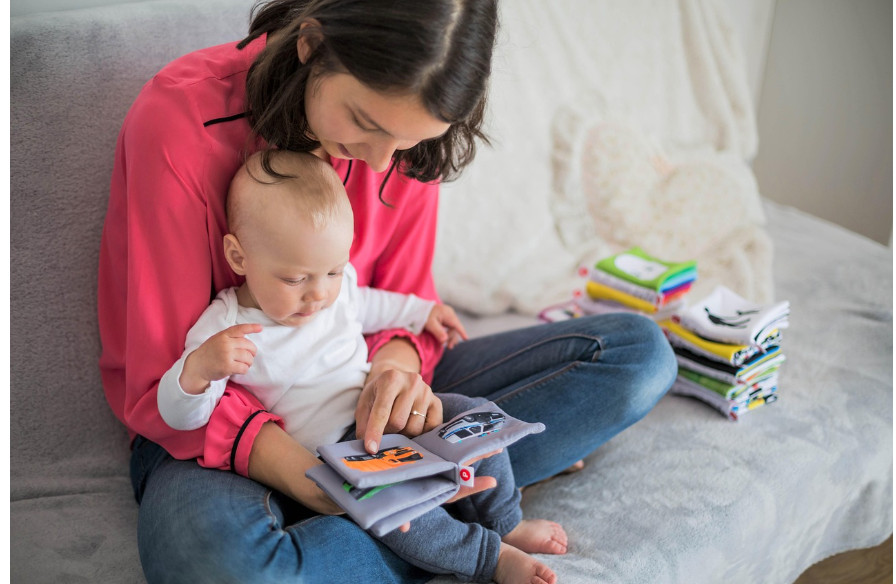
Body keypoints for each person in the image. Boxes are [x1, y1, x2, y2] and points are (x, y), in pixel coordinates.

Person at [97, 1, 678, 582]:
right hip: (210, 432)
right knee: (224, 569)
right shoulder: (178, 122)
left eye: (407, 141)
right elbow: (167, 380)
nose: (382, 162)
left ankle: (412, 512)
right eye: (366, 123)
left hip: (364, 406)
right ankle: (439, 521)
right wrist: (308, 475)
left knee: (639, 356)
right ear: (312, 44)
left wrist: (394, 375)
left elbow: (401, 304)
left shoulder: (404, 142)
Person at [155, 149, 567, 583]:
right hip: (339, 452)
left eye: (332, 272)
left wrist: (420, 311)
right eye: (295, 279)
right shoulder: (226, 324)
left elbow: (369, 304)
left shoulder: (335, 287)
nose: (318, 295)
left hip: (383, 410)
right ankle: (488, 558)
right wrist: (199, 370)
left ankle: (506, 521)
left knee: (474, 414)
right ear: (239, 258)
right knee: (399, 510)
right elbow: (180, 417)